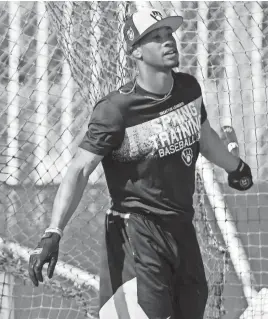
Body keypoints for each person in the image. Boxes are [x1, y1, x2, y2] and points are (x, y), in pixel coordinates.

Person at [28, 8, 253, 319]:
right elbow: (79, 170)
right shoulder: (115, 110)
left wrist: (235, 167)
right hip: (136, 231)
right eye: (156, 37)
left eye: (169, 34)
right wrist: (53, 232)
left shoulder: (189, 90)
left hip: (181, 229)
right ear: (136, 52)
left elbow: (205, 138)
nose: (168, 41)